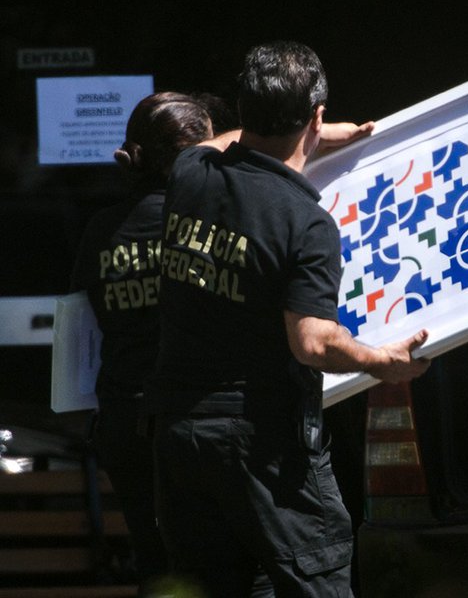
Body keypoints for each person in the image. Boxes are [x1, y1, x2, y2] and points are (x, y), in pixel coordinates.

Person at [146, 41, 431, 597]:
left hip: (178, 435)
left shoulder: (190, 172)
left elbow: (216, 142)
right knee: (315, 582)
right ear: (315, 118)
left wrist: (312, 133)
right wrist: (382, 361)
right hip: (259, 442)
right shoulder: (306, 221)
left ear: (243, 110)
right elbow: (313, 343)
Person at [70, 91, 214, 592]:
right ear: (193, 155)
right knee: (214, 561)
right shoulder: (203, 224)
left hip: (123, 419)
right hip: (192, 418)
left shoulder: (100, 230)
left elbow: (85, 321)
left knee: (156, 561)